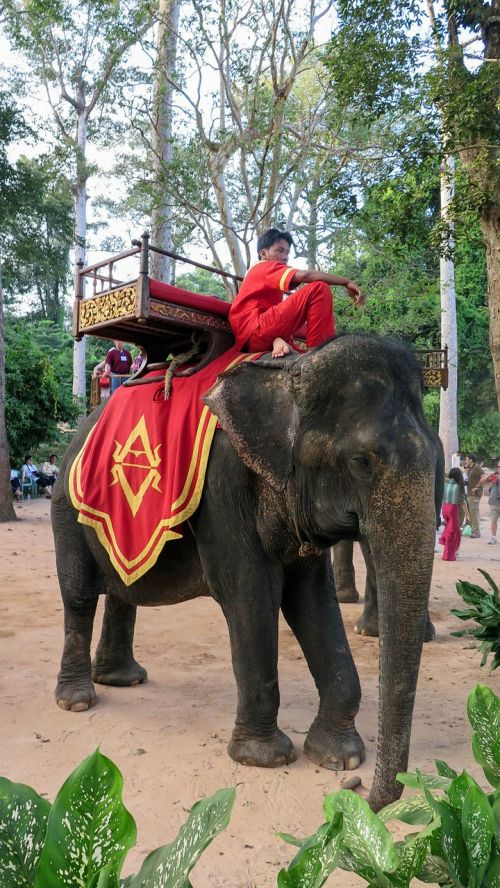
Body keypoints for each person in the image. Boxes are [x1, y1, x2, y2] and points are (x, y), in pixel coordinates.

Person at [228, 228, 364, 358]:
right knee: (319, 288)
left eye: (287, 252)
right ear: (263, 254)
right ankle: (320, 353)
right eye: (280, 251)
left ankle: (282, 343)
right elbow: (305, 276)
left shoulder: (268, 275)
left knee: (300, 354)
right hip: (255, 330)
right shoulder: (262, 266)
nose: (285, 257)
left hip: (255, 335)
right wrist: (345, 282)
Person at [439, 468, 466, 561]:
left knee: (449, 529)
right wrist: (468, 515)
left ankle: (450, 549)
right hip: (453, 509)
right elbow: (462, 503)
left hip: (444, 508)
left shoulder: (446, 483)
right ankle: (448, 555)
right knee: (453, 532)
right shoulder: (459, 486)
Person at [463, 453, 484, 538]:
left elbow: (483, 476)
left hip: (474, 494)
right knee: (471, 512)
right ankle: (473, 530)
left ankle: (476, 532)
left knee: (474, 512)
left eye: (467, 459)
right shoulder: (472, 468)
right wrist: (467, 468)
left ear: (471, 460)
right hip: (469, 494)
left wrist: (477, 487)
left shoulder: (477, 467)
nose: (465, 461)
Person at [482, 458, 500, 545]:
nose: (499, 468)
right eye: (498, 466)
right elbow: (483, 482)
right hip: (494, 502)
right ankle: (493, 537)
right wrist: (489, 478)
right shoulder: (494, 475)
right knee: (493, 521)